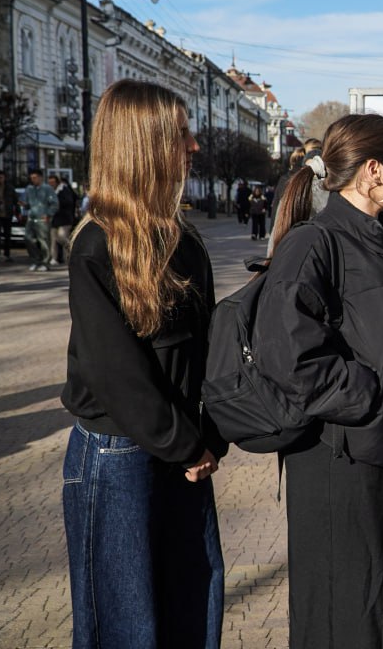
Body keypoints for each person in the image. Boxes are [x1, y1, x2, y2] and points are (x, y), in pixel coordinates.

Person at [259, 113, 383, 648]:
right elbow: (287, 355)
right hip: (344, 462)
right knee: (350, 615)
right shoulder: (316, 242)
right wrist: (369, 397)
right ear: (372, 171)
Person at [61, 79, 225, 649]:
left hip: (183, 452)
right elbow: (117, 373)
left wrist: (211, 436)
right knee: (126, 623)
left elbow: (205, 347)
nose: (193, 146)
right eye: (181, 133)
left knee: (191, 605)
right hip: (118, 457)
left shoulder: (183, 239)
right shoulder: (96, 244)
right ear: (144, 144)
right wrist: (188, 445)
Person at [23, 168, 57, 271]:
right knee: (28, 239)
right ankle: (35, 260)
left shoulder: (47, 189)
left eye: (35, 177)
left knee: (44, 241)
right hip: (31, 218)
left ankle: (45, 262)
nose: (33, 180)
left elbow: (54, 203)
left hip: (42, 219)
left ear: (40, 177)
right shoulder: (29, 189)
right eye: (31, 178)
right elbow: (26, 203)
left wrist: (48, 214)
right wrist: (23, 205)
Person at [49, 174, 78, 265]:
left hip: (65, 219)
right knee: (53, 240)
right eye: (50, 182)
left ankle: (72, 250)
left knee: (62, 237)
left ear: (57, 182)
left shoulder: (64, 190)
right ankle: (54, 258)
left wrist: (57, 203)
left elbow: (69, 202)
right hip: (54, 219)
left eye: (53, 182)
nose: (51, 184)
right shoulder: (50, 191)